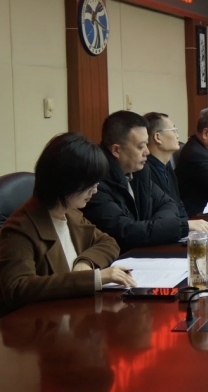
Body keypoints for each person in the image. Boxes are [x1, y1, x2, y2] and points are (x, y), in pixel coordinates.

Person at [0, 133, 136, 316]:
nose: (95, 191)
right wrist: (94, 278)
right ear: (66, 181)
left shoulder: (70, 213)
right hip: (40, 326)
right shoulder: (20, 228)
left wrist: (85, 262)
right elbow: (18, 288)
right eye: (89, 184)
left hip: (74, 317)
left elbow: (108, 243)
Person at [84, 111, 208, 253]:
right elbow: (125, 232)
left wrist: (153, 227)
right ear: (116, 150)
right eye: (141, 146)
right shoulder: (96, 183)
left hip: (145, 251)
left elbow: (168, 203)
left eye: (146, 144)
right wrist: (178, 227)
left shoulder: (140, 171)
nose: (147, 151)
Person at [142, 112, 187, 215]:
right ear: (158, 137)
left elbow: (178, 203)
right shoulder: (145, 170)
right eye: (174, 130)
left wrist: (187, 222)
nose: (177, 135)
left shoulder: (166, 165)